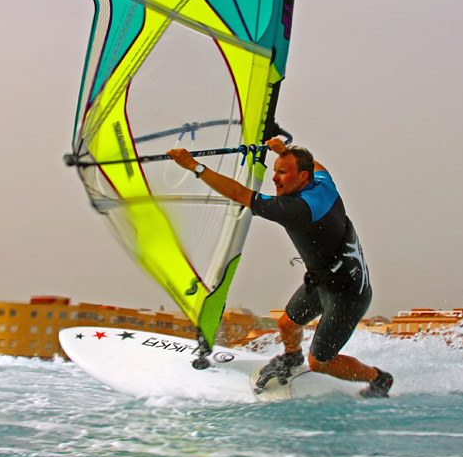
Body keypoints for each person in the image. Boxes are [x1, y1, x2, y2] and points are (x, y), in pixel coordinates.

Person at [167, 138, 393, 398]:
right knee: (287, 323)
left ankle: (380, 379)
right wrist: (283, 151)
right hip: (322, 280)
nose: (274, 179)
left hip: (348, 294)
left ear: (303, 176)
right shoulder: (323, 185)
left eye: (282, 172)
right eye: (276, 171)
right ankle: (291, 357)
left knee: (320, 362)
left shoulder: (297, 209)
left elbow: (240, 194)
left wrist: (194, 166)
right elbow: (320, 166)